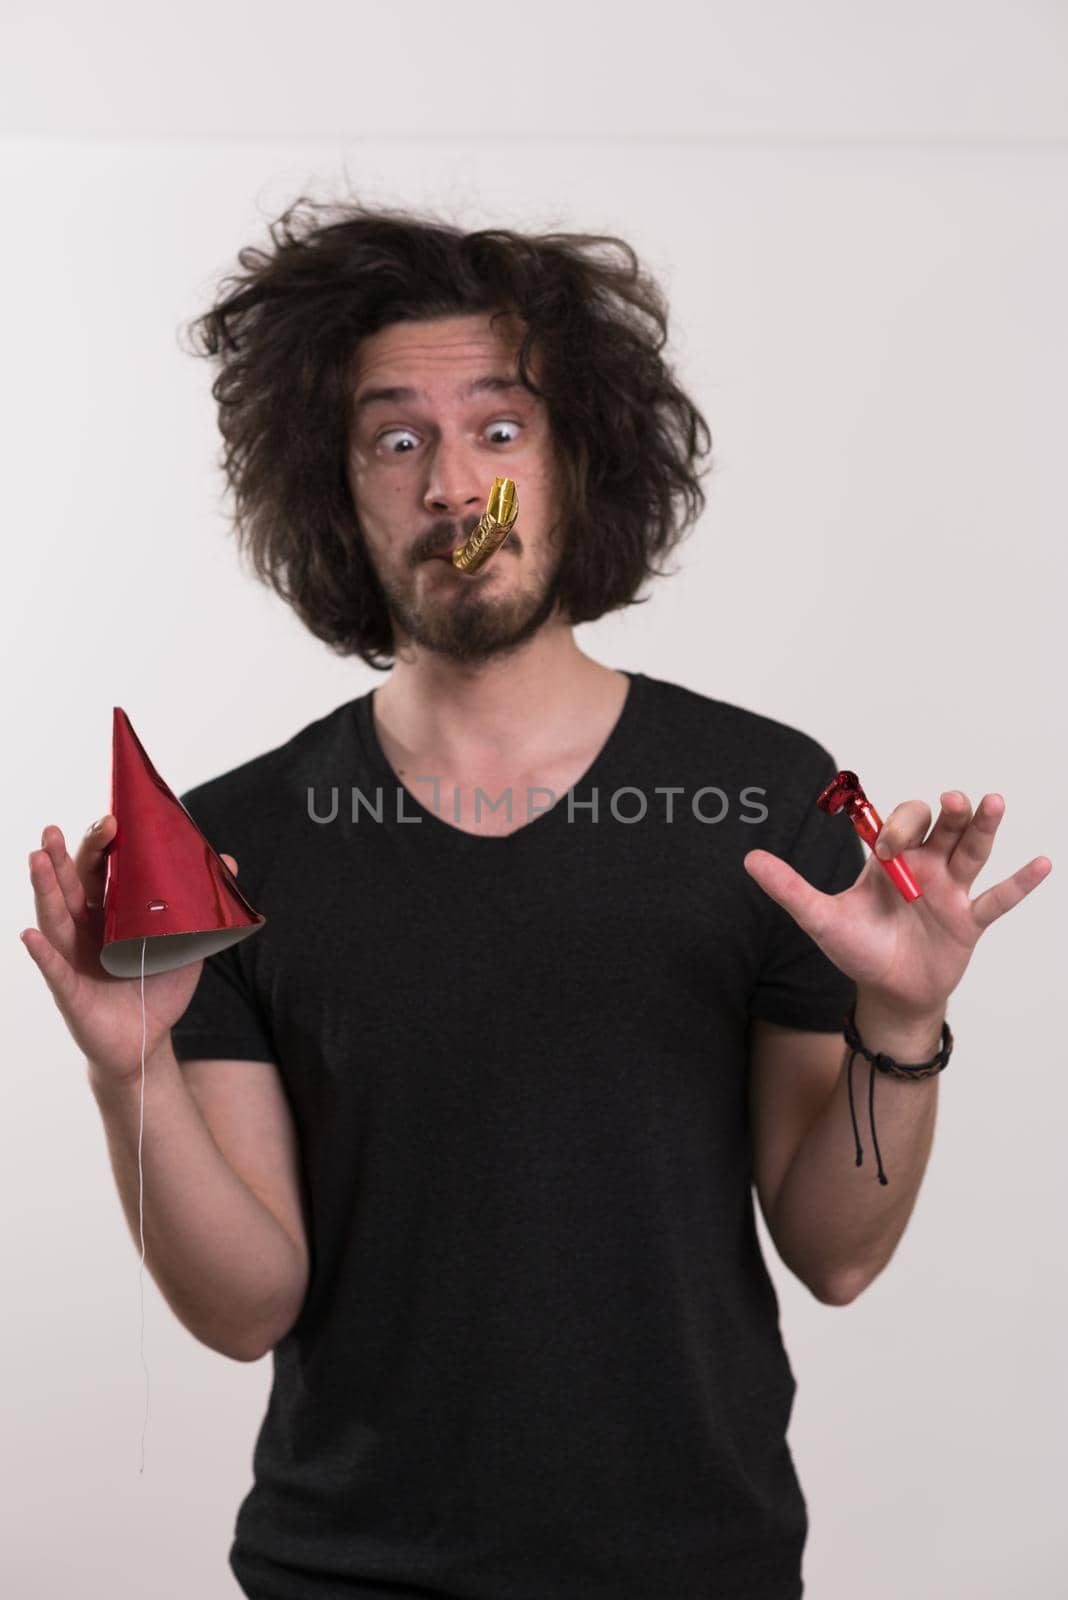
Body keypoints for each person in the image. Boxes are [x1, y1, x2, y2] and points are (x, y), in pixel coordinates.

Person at [22, 198, 1050, 1600]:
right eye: (398, 439)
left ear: (579, 463)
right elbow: (245, 1308)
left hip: (700, 1571)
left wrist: (900, 1021)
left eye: (498, 431)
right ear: (338, 490)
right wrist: (128, 1073)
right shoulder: (240, 846)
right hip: (344, 1576)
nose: (454, 486)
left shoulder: (764, 798)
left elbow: (838, 1257)